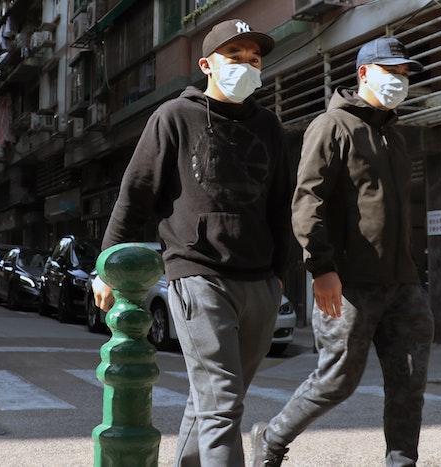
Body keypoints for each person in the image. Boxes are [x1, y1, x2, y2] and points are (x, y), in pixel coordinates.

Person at [93, 19, 291, 467]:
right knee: (222, 402)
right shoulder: (173, 117)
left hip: (259, 279)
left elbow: (281, 205)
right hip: (197, 273)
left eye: (254, 60)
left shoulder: (270, 127)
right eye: (234, 58)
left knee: (212, 399)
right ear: (206, 65)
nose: (247, 66)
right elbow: (136, 193)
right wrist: (106, 265)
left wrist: (281, 275)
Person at [251, 37, 435, 467]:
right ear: (364, 73)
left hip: (403, 282)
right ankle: (272, 438)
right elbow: (307, 200)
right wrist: (321, 268)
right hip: (349, 283)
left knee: (409, 383)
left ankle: (402, 460)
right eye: (392, 72)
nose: (400, 81)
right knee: (337, 380)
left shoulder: (397, 135)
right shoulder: (332, 125)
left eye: (405, 73)